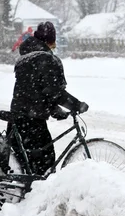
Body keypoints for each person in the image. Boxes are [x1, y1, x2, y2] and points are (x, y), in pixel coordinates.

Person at [8, 21, 88, 176]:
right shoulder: (45, 59)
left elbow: (35, 90)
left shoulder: (26, 58)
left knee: (24, 165)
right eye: (53, 41)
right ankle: (35, 195)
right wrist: (76, 105)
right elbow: (53, 91)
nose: (55, 45)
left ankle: (12, 195)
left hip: (20, 116)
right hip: (32, 121)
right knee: (44, 165)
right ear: (49, 41)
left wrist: (53, 109)